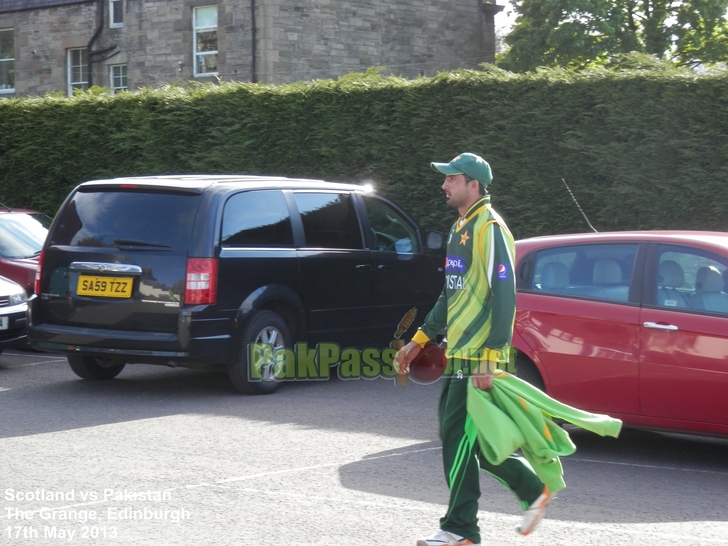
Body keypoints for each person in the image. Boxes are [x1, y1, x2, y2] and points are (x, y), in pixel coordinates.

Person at [395, 153, 552, 546]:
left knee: (458, 437)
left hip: (479, 357)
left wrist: (488, 357)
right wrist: (418, 341)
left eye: (452, 179)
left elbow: (505, 295)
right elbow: (450, 296)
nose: (444, 185)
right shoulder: (460, 226)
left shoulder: (490, 227)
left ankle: (461, 529)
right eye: (446, 179)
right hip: (460, 354)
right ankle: (529, 491)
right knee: (469, 440)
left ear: (474, 185)